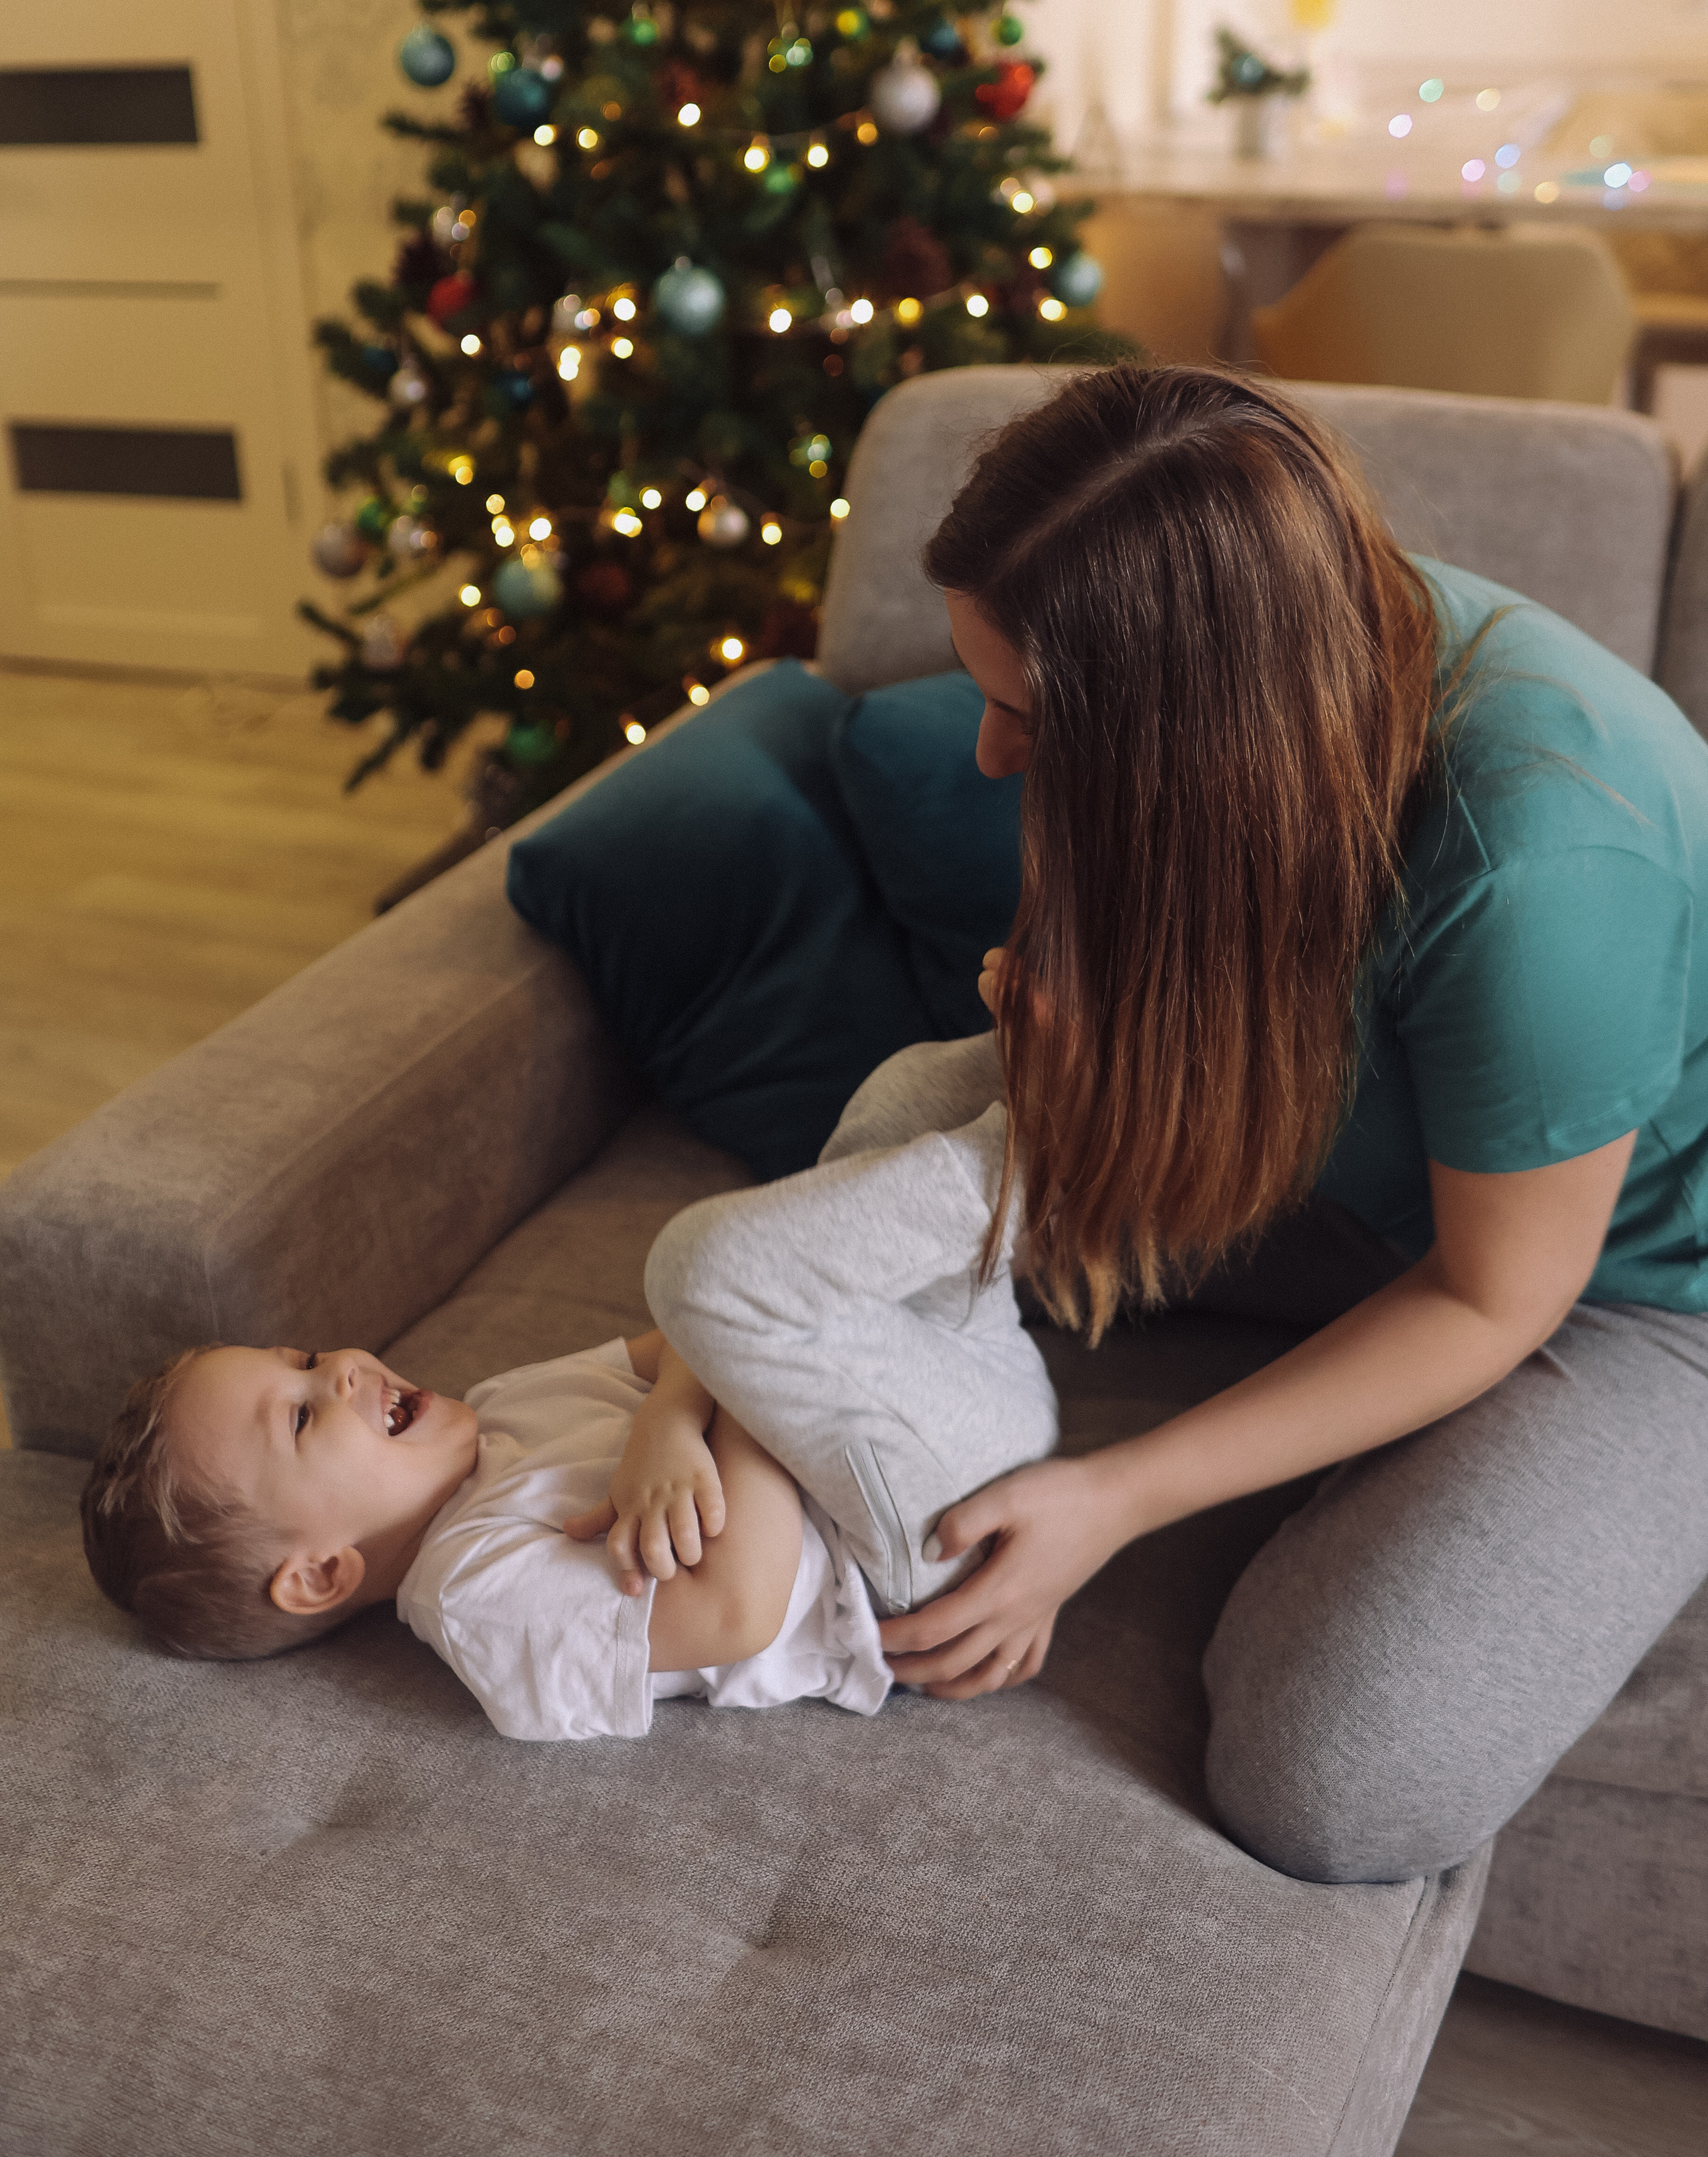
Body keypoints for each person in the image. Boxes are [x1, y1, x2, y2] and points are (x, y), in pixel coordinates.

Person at [757, 361, 1708, 1887]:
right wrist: (1073, 1037)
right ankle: (693, 1381)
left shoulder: (1540, 854)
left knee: (1332, 1778)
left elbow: (1490, 1293)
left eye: (1018, 717)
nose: (992, 757)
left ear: (1177, 724)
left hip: (1621, 1288)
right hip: (1332, 1169)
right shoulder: (1225, 690)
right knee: (904, 1110)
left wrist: (1111, 1498)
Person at [78, 1035, 1058, 1741]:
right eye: (299, 1414)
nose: (333, 1366)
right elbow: (738, 1608)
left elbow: (676, 1339)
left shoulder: (499, 1408)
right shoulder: (478, 1597)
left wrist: (675, 1419)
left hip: (928, 1396)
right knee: (733, 1275)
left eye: (298, 1360)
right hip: (924, 1548)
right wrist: (746, 1371)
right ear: (321, 1572)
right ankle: (1080, 1146)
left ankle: (1068, 1087)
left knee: (903, 1092)